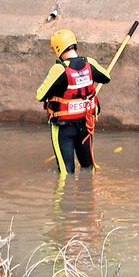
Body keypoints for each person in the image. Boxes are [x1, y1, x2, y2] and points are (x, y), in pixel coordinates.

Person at [35, 28, 111, 176]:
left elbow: (40, 95)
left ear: (57, 48)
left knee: (65, 173)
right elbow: (106, 77)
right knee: (87, 167)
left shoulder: (59, 69)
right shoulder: (90, 63)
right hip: (85, 125)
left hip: (63, 128)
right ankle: (87, 195)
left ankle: (65, 198)